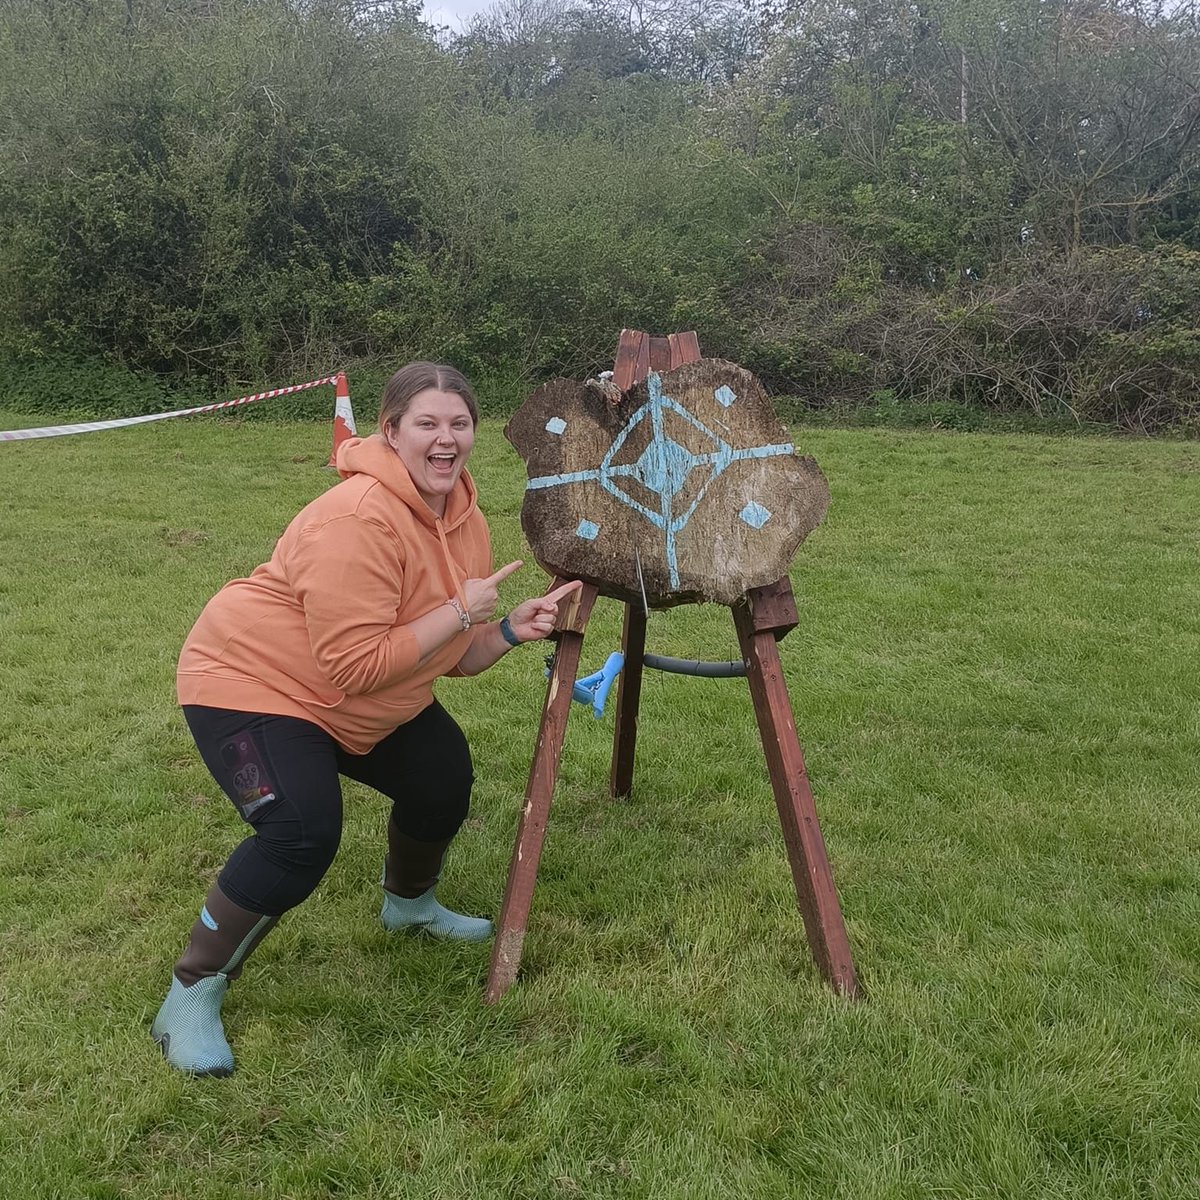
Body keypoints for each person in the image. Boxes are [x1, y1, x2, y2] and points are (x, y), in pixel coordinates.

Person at [151, 361, 580, 1077]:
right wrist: (457, 612)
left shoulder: (463, 514)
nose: (446, 440)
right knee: (299, 833)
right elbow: (353, 665)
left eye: (459, 423)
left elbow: (456, 655)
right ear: (391, 431)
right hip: (253, 683)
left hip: (360, 693)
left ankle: (409, 907)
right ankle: (191, 991)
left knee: (442, 776)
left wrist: (504, 628)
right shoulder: (353, 518)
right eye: (427, 424)